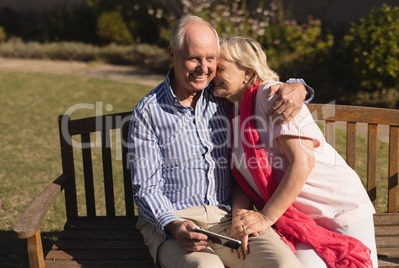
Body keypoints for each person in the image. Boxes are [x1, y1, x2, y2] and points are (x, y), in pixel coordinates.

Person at [128, 15, 313, 267]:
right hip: (174, 221)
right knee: (206, 267)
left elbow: (259, 81)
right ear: (173, 54)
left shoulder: (223, 97)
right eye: (194, 58)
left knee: (285, 265)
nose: (204, 68)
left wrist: (297, 85)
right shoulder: (148, 111)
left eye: (210, 59)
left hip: (227, 219)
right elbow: (146, 188)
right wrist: (174, 226)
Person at [212, 36, 378, 267]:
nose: (212, 74)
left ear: (247, 72)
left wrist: (266, 217)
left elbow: (303, 162)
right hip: (300, 221)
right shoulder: (231, 111)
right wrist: (239, 220)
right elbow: (243, 176)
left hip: (336, 208)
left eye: (219, 68)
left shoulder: (274, 97)